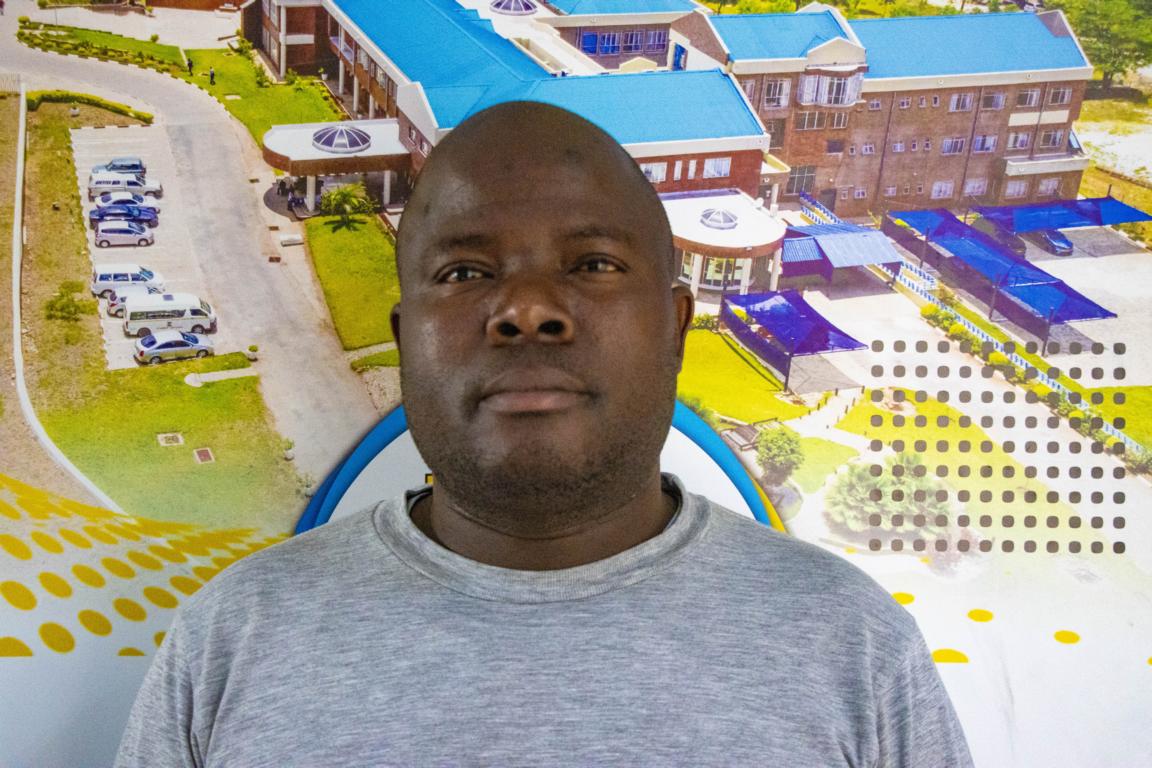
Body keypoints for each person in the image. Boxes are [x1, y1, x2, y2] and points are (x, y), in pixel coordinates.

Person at [114, 102, 973, 766]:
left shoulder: (850, 647)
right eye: (465, 271)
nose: (526, 309)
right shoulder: (237, 637)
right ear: (406, 339)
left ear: (675, 328)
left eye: (592, 264)